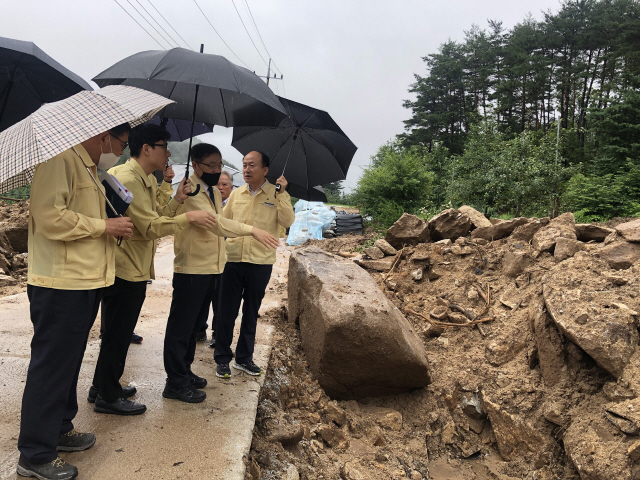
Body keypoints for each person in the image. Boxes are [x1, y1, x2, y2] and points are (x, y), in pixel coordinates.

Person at [17, 124, 134, 480]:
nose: (120, 152)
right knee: (52, 367)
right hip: (60, 284)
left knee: (67, 363)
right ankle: (35, 454)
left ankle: (61, 427)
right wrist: (104, 226)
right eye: (121, 144)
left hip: (82, 282)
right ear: (103, 137)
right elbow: (49, 217)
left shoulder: (86, 166)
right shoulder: (59, 160)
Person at [90, 124, 216, 416]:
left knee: (116, 332)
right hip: (125, 267)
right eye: (163, 146)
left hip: (133, 264)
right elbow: (148, 228)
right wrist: (189, 217)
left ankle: (102, 385)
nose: (169, 153)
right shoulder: (129, 177)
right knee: (118, 334)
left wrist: (177, 200)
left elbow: (156, 215)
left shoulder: (143, 178)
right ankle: (107, 396)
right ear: (146, 149)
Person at [163, 144, 279, 402]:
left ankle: (184, 371)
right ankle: (174, 382)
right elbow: (217, 224)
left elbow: (218, 222)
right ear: (195, 165)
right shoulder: (186, 190)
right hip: (191, 266)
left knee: (194, 327)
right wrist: (252, 230)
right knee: (180, 328)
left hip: (212, 268)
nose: (217, 170)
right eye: (211, 166)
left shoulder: (212, 192)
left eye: (219, 165)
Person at [214, 151, 295, 378]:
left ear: (265, 170)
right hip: (233, 259)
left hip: (260, 262)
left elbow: (288, 222)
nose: (247, 170)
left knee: (251, 312)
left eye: (252, 165)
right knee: (226, 311)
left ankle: (244, 358)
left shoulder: (277, 194)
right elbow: (223, 223)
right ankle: (222, 357)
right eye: (244, 165)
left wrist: (281, 194)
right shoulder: (237, 194)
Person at [197, 169, 234, 345]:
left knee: (221, 299)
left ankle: (217, 334)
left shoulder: (233, 203)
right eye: (217, 184)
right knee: (203, 295)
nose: (220, 187)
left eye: (224, 184)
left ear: (231, 187)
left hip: (226, 258)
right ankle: (199, 330)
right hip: (207, 256)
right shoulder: (208, 199)